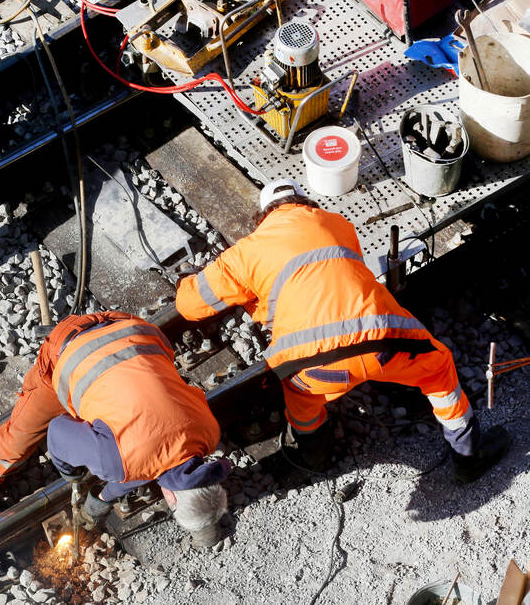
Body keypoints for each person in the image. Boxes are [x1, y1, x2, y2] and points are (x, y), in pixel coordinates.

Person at [176, 178, 510, 482]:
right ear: (306, 204)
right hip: (383, 343)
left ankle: (316, 454)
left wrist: (212, 287)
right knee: (439, 370)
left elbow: (190, 306)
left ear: (262, 218)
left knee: (302, 401)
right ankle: (468, 455)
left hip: (312, 366)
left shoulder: (246, 251)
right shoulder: (338, 223)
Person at [0, 311, 231, 547]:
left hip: (133, 330)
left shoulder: (209, 432)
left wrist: (104, 497)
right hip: (69, 348)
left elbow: (149, 460)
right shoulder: (116, 463)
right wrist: (70, 472)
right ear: (173, 498)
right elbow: (56, 432)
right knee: (20, 435)